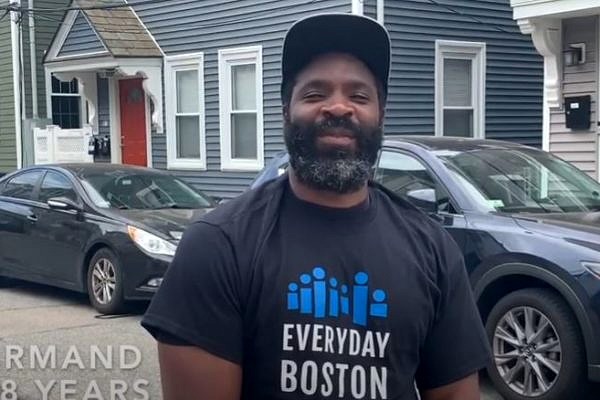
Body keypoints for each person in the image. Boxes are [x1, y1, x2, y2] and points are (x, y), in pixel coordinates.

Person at [141, 13, 491, 400]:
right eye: (315, 94)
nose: (339, 108)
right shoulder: (219, 245)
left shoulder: (433, 249)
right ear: (285, 112)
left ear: (382, 115)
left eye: (359, 96)